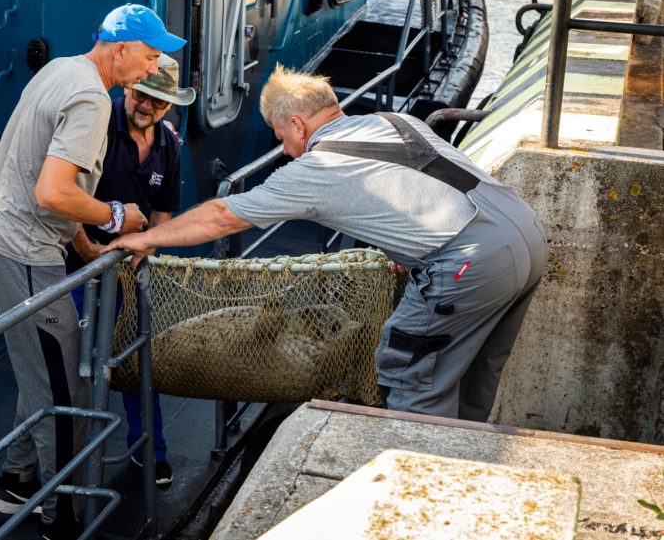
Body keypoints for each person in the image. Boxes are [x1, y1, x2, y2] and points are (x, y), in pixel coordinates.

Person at [105, 65, 547, 423]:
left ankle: (415, 497)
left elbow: (223, 215)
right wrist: (406, 253)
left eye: (282, 140)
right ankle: (462, 474)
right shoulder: (397, 121)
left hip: (470, 263)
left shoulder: (315, 168)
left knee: (410, 375)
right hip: (525, 236)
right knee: (474, 378)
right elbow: (421, 191)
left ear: (297, 124)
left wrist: (146, 237)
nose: (287, 152)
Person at [0, 4, 185, 539]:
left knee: (43, 369)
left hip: (1, 236)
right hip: (24, 252)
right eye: (150, 55)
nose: (151, 68)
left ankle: (16, 480)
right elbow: (53, 192)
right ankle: (58, 514)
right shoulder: (92, 98)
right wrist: (118, 215)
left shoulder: (61, 67)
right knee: (63, 391)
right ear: (120, 50)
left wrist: (93, 241)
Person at [65, 53, 194, 488]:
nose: (147, 107)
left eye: (159, 102)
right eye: (143, 95)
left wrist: (146, 253)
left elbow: (162, 216)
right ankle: (66, 464)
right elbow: (63, 199)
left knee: (139, 362)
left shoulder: (170, 146)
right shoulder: (97, 129)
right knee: (72, 370)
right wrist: (89, 255)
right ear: (128, 87)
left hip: (129, 274)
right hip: (75, 270)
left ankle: (149, 451)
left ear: (170, 106)